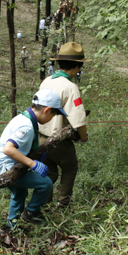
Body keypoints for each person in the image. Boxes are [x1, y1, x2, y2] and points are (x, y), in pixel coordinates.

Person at [0, 89, 67, 229]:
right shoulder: (26, 126)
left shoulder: (24, 118)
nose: (53, 119)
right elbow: (8, 149)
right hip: (5, 166)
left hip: (4, 163)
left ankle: (12, 225)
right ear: (47, 110)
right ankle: (31, 212)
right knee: (45, 184)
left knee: (20, 192)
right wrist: (32, 163)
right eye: (54, 115)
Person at [38, 42, 90, 207]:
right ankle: (63, 204)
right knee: (70, 167)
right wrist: (83, 137)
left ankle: (43, 204)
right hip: (58, 140)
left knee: (49, 173)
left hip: (40, 138)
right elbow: (78, 119)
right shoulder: (70, 87)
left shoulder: (46, 81)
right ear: (77, 67)